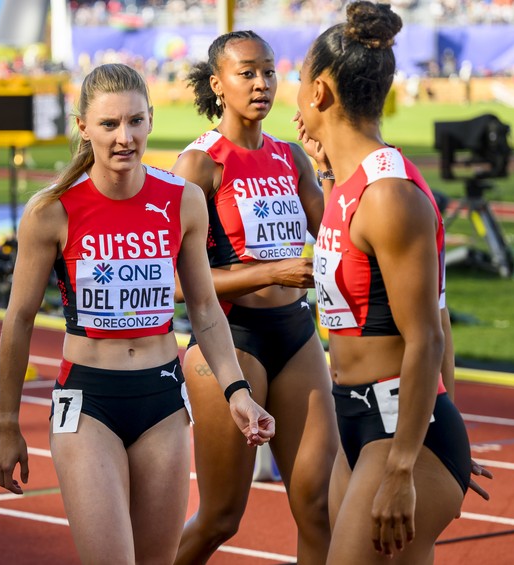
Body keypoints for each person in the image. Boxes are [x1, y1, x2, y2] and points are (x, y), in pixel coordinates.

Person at [0, 62, 275, 564]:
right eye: (109, 125)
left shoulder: (182, 200)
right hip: (87, 402)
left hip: (162, 400)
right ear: (83, 127)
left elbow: (206, 309)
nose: (125, 137)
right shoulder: (51, 210)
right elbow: (17, 320)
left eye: (135, 122)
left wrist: (237, 394)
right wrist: (8, 424)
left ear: (150, 121)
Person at [294, 2, 489, 562]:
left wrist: (413, 458)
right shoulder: (350, 186)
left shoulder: (388, 196)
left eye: (300, 79)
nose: (293, 92)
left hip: (397, 430)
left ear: (321, 93)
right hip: (360, 421)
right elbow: (437, 314)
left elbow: (428, 333)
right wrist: (326, 171)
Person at [172, 30, 337, 564]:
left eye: (269, 71)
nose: (262, 83)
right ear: (219, 84)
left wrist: (327, 165)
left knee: (318, 506)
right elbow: (174, 282)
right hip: (230, 343)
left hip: (296, 334)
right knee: (221, 518)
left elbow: (336, 234)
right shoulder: (199, 165)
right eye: (247, 73)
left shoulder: (290, 157)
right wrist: (271, 273)